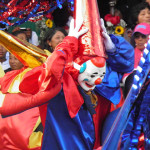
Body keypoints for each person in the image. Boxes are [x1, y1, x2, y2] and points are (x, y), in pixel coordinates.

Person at [0, 14, 134, 150]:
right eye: (93, 74)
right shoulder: (62, 83)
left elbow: (126, 64)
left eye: (101, 74)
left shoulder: (101, 85)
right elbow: (52, 69)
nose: (98, 80)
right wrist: (68, 42)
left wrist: (111, 47)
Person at [0, 30, 43, 150]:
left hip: (27, 128)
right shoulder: (7, 76)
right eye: (11, 58)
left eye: (17, 58)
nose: (13, 61)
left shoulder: (34, 73)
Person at [123, 22, 150, 98]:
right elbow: (127, 77)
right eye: (137, 37)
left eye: (143, 36)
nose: (140, 39)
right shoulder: (131, 54)